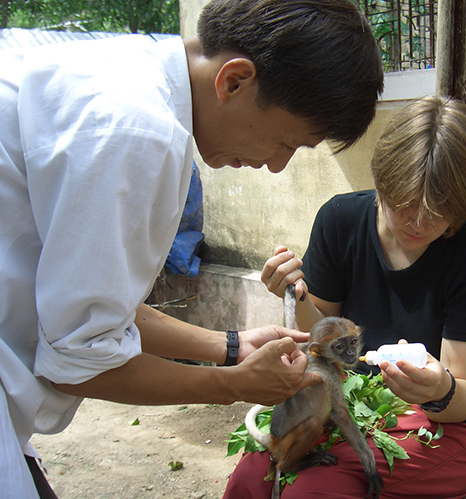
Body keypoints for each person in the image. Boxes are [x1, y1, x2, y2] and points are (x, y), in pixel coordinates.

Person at [0, 1, 383, 497]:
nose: (276, 166)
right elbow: (78, 363)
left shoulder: (127, 69)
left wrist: (228, 346)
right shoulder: (138, 132)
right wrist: (235, 384)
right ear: (235, 81)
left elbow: (89, 303)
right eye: (289, 142)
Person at [226, 95, 466, 499]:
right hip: (353, 398)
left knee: (312, 490)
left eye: (438, 212)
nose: (418, 222)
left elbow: (464, 396)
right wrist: (297, 294)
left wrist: (437, 389)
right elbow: (321, 337)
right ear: (383, 182)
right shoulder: (341, 221)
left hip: (444, 424)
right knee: (252, 474)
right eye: (404, 205)